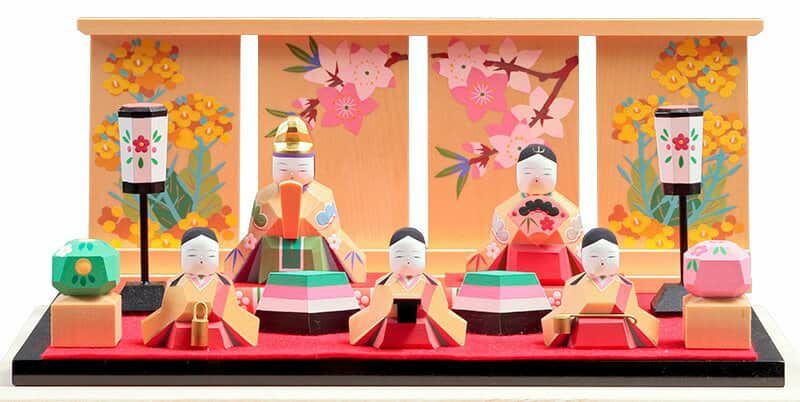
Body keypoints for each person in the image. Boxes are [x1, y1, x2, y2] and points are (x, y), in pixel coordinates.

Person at [226, 116, 366, 284]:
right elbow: (254, 235)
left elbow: (333, 233)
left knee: (317, 261)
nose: (292, 173)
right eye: (283, 168)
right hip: (272, 255)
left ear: (312, 164)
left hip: (314, 254)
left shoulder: (322, 195)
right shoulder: (264, 196)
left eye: (302, 168)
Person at [468, 144, 583, 285]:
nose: (536, 178)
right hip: (514, 270)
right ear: (518, 173)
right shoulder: (504, 210)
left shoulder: (570, 210)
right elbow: (496, 245)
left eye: (546, 173)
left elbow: (575, 247)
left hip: (559, 271)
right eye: (527, 173)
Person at [142, 227, 259, 349]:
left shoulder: (224, 282)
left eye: (210, 255)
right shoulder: (175, 283)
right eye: (192, 255)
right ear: (182, 255)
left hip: (218, 333)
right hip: (180, 333)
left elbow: (232, 313)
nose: (201, 260)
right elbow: (167, 313)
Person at [349, 227, 466, 348]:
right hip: (390, 331)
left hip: (424, 331)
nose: (408, 261)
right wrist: (384, 308)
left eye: (416, 256)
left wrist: (429, 307)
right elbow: (375, 312)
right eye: (399, 256)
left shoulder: (432, 284)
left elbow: (442, 314)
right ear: (390, 255)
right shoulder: (383, 284)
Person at [541, 228, 659, 348]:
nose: (602, 262)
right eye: (594, 256)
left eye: (611, 257)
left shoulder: (625, 285)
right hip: (581, 332)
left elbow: (633, 313)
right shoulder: (573, 284)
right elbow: (566, 312)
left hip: (619, 332)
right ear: (582, 256)